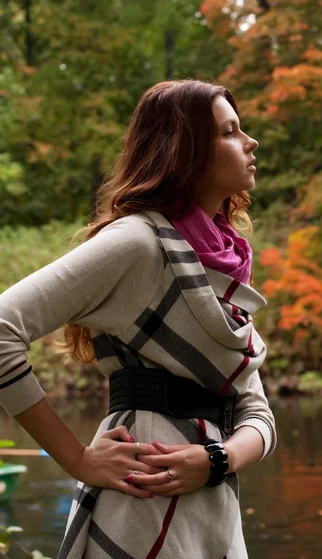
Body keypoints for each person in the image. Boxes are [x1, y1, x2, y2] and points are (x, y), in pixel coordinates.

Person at [0, 79, 276, 559]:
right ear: (185, 151)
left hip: (212, 507)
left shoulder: (217, 266)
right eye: (230, 132)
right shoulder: (138, 243)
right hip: (139, 500)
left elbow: (257, 413)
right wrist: (78, 459)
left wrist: (215, 459)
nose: (250, 142)